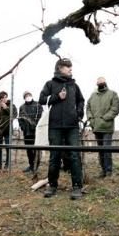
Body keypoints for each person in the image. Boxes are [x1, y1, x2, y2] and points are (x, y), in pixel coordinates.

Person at [39, 58, 85, 200]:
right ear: (60, 68)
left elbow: (81, 101)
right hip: (55, 126)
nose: (70, 69)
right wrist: (57, 97)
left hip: (72, 126)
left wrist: (78, 114)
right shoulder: (50, 84)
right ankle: (52, 185)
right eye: (67, 67)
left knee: (74, 155)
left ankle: (77, 186)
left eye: (71, 66)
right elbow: (41, 99)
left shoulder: (74, 85)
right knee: (54, 156)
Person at [86, 76, 119, 178]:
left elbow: (115, 109)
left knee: (106, 150)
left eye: (102, 82)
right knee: (100, 150)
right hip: (96, 127)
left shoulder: (112, 94)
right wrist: (91, 119)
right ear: (97, 84)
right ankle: (103, 170)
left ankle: (109, 171)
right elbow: (87, 108)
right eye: (99, 82)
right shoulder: (92, 96)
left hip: (107, 127)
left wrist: (104, 118)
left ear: (106, 83)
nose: (100, 83)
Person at [18, 91, 43, 173]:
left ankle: (36, 165)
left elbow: (41, 117)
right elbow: (20, 119)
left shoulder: (37, 105)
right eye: (26, 96)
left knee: (37, 149)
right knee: (29, 150)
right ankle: (31, 166)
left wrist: (37, 127)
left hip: (36, 132)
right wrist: (23, 128)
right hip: (27, 132)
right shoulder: (22, 107)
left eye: (29, 95)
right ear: (24, 97)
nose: (28, 96)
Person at [0, 91, 18, 170]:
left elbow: (13, 115)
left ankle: (7, 165)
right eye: (2, 98)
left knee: (8, 147)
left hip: (8, 130)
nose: (3, 99)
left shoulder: (11, 105)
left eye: (5, 97)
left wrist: (6, 108)